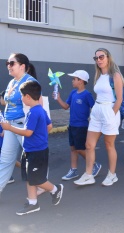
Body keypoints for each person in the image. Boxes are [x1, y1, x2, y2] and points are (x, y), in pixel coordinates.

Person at [1, 80, 63, 215]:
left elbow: (28, 132)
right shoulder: (38, 110)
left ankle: (55, 189)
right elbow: (49, 126)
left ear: (28, 97)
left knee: (37, 179)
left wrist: (9, 128)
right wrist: (41, 136)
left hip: (37, 151)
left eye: (22, 96)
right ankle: (32, 203)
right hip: (30, 149)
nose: (21, 99)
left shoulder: (34, 112)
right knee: (29, 177)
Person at [74, 48, 124, 186]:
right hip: (97, 110)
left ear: (108, 57)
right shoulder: (98, 76)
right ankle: (89, 175)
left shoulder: (115, 76)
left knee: (109, 144)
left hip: (110, 109)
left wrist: (111, 114)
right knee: (89, 145)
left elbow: (119, 99)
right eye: (96, 58)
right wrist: (95, 112)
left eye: (101, 57)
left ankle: (112, 175)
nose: (99, 60)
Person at [0, 53, 40, 198]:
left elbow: (38, 106)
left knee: (34, 157)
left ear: (22, 66)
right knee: (5, 160)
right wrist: (6, 125)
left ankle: (45, 185)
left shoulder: (30, 82)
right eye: (7, 63)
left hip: (23, 126)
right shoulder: (12, 82)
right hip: (10, 126)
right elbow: (8, 103)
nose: (8, 66)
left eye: (12, 63)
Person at [54, 70, 100, 180]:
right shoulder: (73, 93)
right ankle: (73, 170)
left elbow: (94, 108)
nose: (72, 81)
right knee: (73, 149)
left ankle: (94, 164)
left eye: (74, 79)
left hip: (82, 126)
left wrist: (94, 121)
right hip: (72, 125)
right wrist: (58, 98)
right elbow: (66, 106)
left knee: (80, 149)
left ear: (81, 81)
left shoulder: (87, 95)